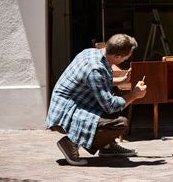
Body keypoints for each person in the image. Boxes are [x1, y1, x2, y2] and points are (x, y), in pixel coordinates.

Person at [46, 34, 147, 165]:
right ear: (117, 57)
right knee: (120, 123)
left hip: (70, 105)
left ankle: (107, 146)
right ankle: (70, 142)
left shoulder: (91, 52)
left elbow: (95, 82)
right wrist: (134, 95)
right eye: (127, 56)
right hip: (64, 116)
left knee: (117, 100)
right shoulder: (96, 68)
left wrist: (121, 81)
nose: (128, 58)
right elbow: (110, 105)